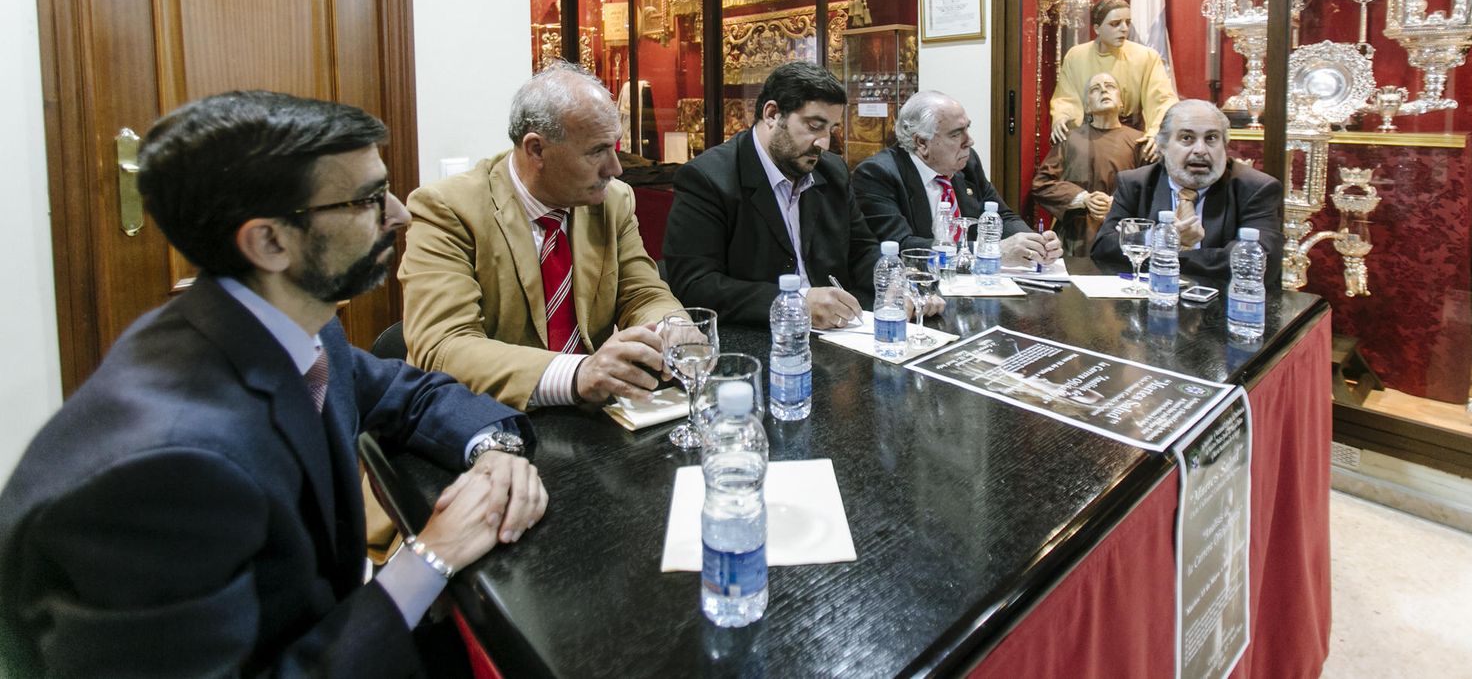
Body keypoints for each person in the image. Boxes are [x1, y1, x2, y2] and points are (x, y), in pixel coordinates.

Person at [0, 91, 545, 677]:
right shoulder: (164, 471)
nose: (399, 214)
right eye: (366, 200)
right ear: (269, 242)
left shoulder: (286, 325)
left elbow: (405, 392)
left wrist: (496, 453)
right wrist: (430, 558)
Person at [401, 62, 682, 411]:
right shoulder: (448, 209)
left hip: (584, 427)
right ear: (536, 149)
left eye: (614, 148)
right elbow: (442, 346)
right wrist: (576, 375)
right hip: (481, 421)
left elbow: (642, 293)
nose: (615, 168)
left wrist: (673, 328)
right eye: (597, 151)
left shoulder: (614, 200)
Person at [661, 62, 880, 329]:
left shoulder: (832, 171)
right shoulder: (708, 178)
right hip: (758, 335)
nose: (824, 143)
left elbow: (863, 249)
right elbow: (695, 285)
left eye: (830, 129)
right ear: (772, 114)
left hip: (839, 331)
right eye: (814, 126)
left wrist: (892, 284)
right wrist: (796, 302)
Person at [854, 91, 1062, 268]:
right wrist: (990, 250)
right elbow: (902, 246)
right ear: (922, 143)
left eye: (967, 129)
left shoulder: (967, 164)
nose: (969, 141)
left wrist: (1034, 243)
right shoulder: (878, 174)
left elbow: (1003, 216)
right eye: (956, 134)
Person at [1090, 99, 1284, 284]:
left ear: (1224, 146)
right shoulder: (1135, 184)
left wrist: (1164, 249)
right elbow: (1104, 249)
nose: (1200, 150)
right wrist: (1165, 238)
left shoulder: (1256, 189)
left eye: (1211, 138)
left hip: (1223, 307)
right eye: (1187, 138)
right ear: (1162, 146)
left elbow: (1257, 262)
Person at [1049, 0, 1179, 162]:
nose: (1124, 28)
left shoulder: (1146, 57)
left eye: (1127, 22)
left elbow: (1162, 100)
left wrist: (1156, 133)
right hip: (1088, 140)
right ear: (1097, 28)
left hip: (1131, 140)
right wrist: (1062, 117)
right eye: (1115, 24)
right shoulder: (1077, 56)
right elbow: (1066, 97)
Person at [1031, 73, 1144, 255]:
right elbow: (1042, 184)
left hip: (1122, 237)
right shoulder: (1070, 139)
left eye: (1110, 86)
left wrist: (1116, 204)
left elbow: (1152, 189)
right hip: (1076, 239)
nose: (1104, 91)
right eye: (1095, 89)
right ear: (1086, 106)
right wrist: (1083, 198)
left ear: (1122, 102)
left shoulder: (1140, 141)